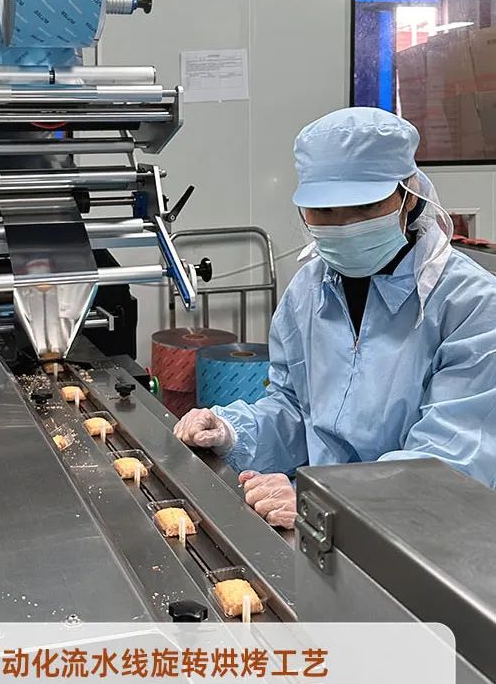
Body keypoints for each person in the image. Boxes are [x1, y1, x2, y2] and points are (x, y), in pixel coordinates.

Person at [174, 107, 496, 527]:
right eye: (324, 211)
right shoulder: (308, 291)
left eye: (363, 207)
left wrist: (328, 500)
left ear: (409, 196)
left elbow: (451, 459)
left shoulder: (470, 305)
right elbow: (296, 410)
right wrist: (231, 431)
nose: (343, 225)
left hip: (428, 537)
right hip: (324, 528)